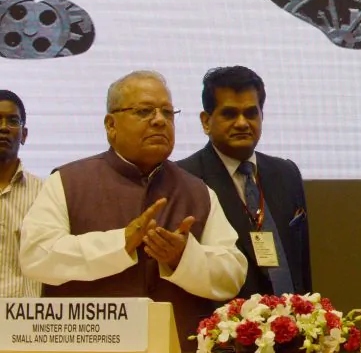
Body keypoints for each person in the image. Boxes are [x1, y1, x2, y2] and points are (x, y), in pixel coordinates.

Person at [19, 71, 247, 348]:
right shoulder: (67, 182)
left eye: (167, 112)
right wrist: (120, 243)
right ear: (110, 125)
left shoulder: (198, 191)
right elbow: (36, 256)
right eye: (144, 111)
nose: (160, 120)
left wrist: (182, 258)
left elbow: (232, 273)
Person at [177, 66, 311, 297]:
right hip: (220, 327)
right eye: (229, 114)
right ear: (206, 121)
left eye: (251, 113)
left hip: (294, 324)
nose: (242, 123)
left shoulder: (286, 173)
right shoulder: (184, 179)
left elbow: (301, 264)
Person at [0, 90, 41, 297]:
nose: (4, 128)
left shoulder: (44, 194)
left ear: (24, 135)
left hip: (25, 323)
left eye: (13, 121)